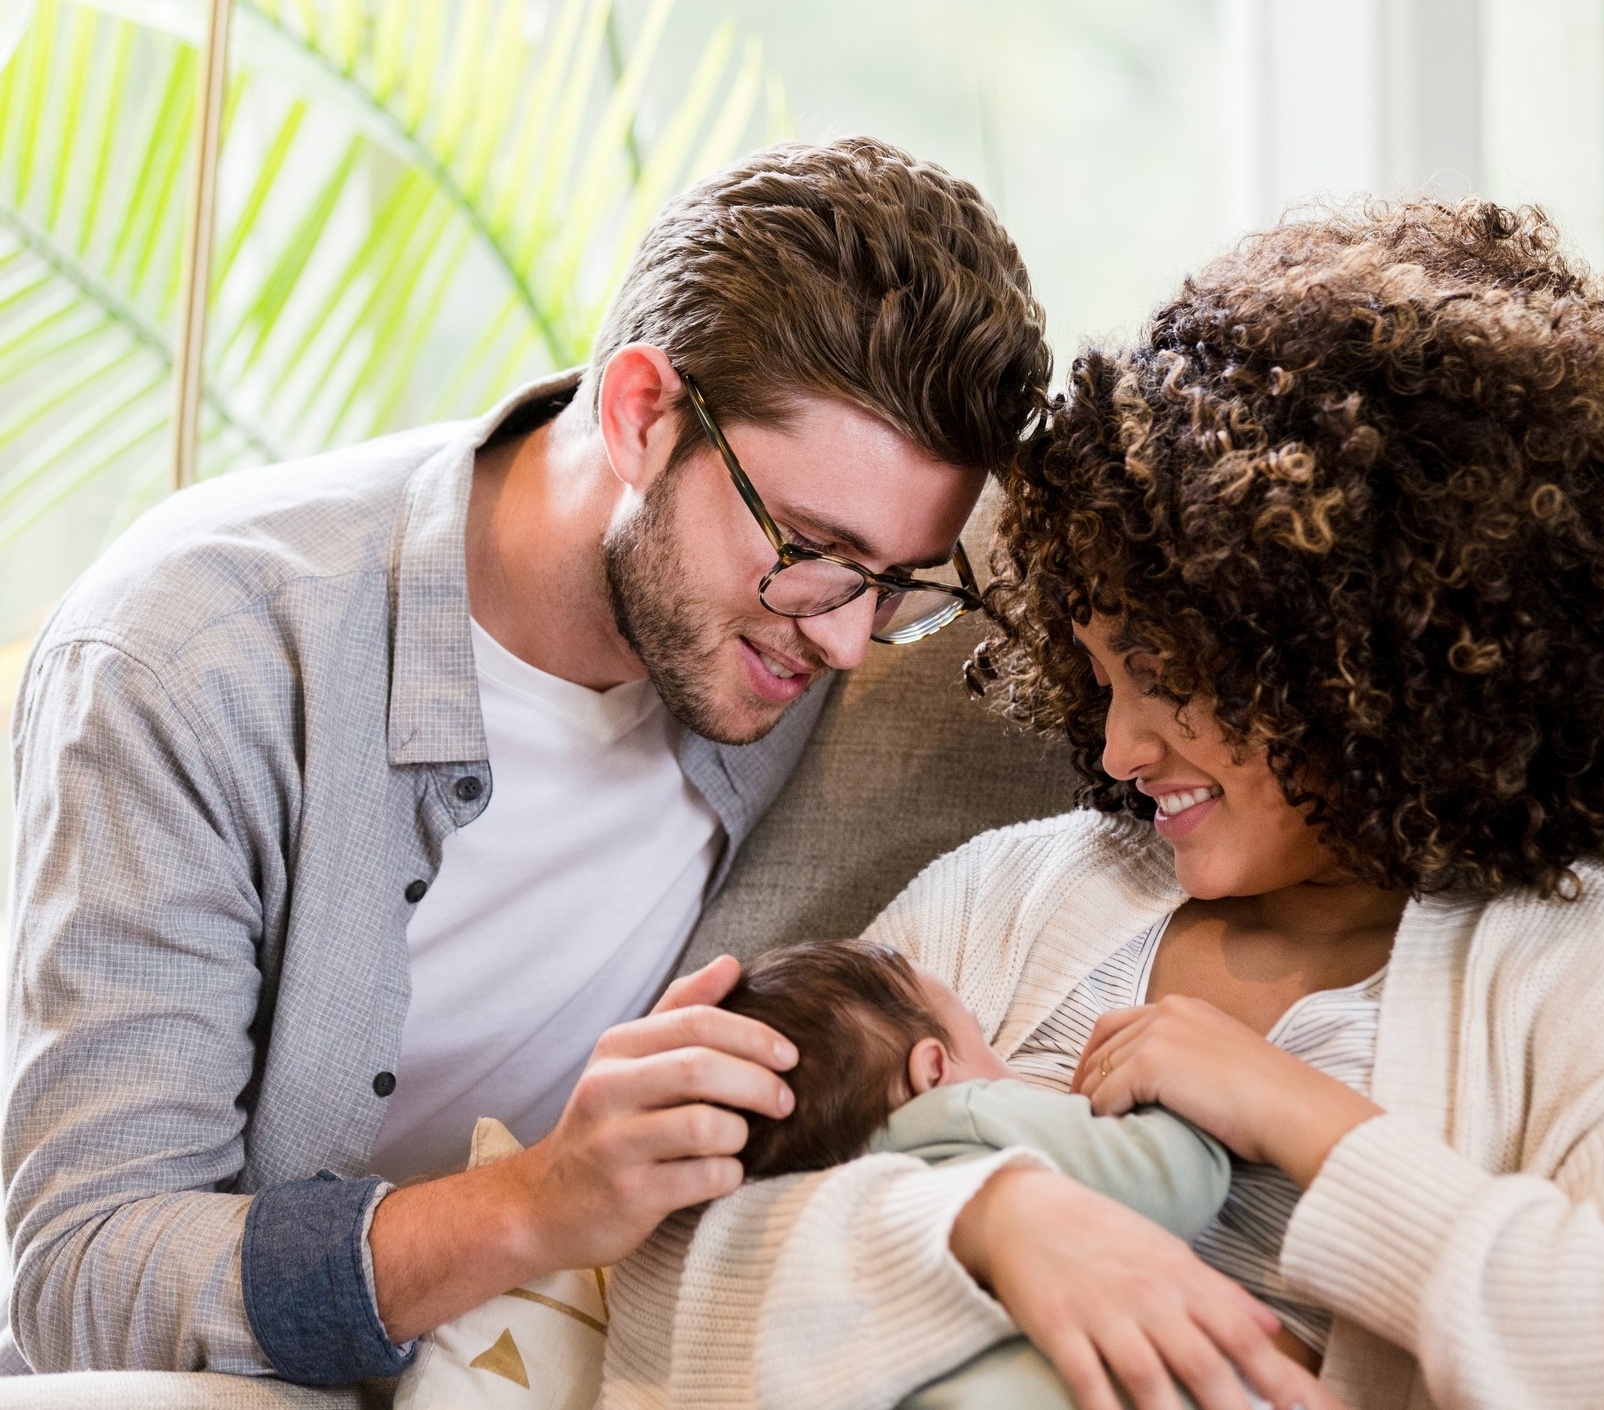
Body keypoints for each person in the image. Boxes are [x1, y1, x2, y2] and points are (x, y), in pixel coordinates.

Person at [639, 200, 1604, 1410]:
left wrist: (1302, 1121)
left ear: (1360, 656)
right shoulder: (1009, 899)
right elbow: (657, 1251)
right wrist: (986, 1221)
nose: (1115, 750)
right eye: (1101, 679)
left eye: (1163, 679)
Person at [3, 138, 1053, 1384]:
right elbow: (83, 1271)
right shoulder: (199, 655)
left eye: (893, 586)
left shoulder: (813, 611)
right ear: (637, 412)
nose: (841, 641)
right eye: (813, 551)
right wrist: (534, 1203)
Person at [600, 938, 1251, 1410]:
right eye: (981, 1036)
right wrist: (1175, 1091)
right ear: (934, 1068)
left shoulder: (811, 1217)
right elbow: (1173, 1182)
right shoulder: (972, 1113)